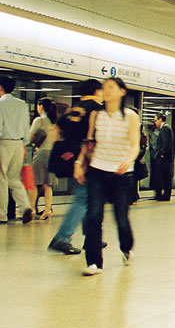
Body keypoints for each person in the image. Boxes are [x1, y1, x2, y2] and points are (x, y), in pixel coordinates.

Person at [74, 77, 140, 276]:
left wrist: (129, 159)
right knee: (93, 216)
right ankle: (94, 263)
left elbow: (135, 144)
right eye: (104, 87)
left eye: (111, 87)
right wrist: (79, 163)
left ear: (122, 91)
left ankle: (126, 247)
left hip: (121, 173)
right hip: (97, 170)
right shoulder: (96, 115)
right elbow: (89, 142)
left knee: (121, 218)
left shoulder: (130, 116)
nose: (107, 90)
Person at [47, 79, 103, 253]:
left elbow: (55, 129)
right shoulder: (97, 108)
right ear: (97, 91)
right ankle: (62, 238)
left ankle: (91, 237)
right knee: (83, 197)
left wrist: (63, 148)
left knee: (88, 197)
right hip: (86, 158)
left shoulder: (74, 109)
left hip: (72, 157)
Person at [0, 75, 33, 224]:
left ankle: (1, 215)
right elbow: (26, 128)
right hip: (19, 144)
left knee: (2, 179)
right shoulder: (22, 105)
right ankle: (25, 206)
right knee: (14, 179)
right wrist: (24, 144)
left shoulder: (1, 104)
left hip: (4, 144)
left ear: (1, 87)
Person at [29, 97, 58, 220]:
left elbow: (30, 138)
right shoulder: (55, 122)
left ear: (41, 107)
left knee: (34, 183)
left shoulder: (39, 120)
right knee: (48, 184)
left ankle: (32, 209)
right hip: (52, 154)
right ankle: (47, 209)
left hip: (41, 153)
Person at [151, 113, 174, 201]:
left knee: (165, 177)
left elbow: (165, 143)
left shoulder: (165, 129)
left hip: (164, 159)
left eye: (156, 120)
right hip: (166, 158)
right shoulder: (166, 128)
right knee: (164, 176)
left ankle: (165, 195)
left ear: (160, 120)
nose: (155, 122)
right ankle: (162, 194)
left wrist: (161, 154)